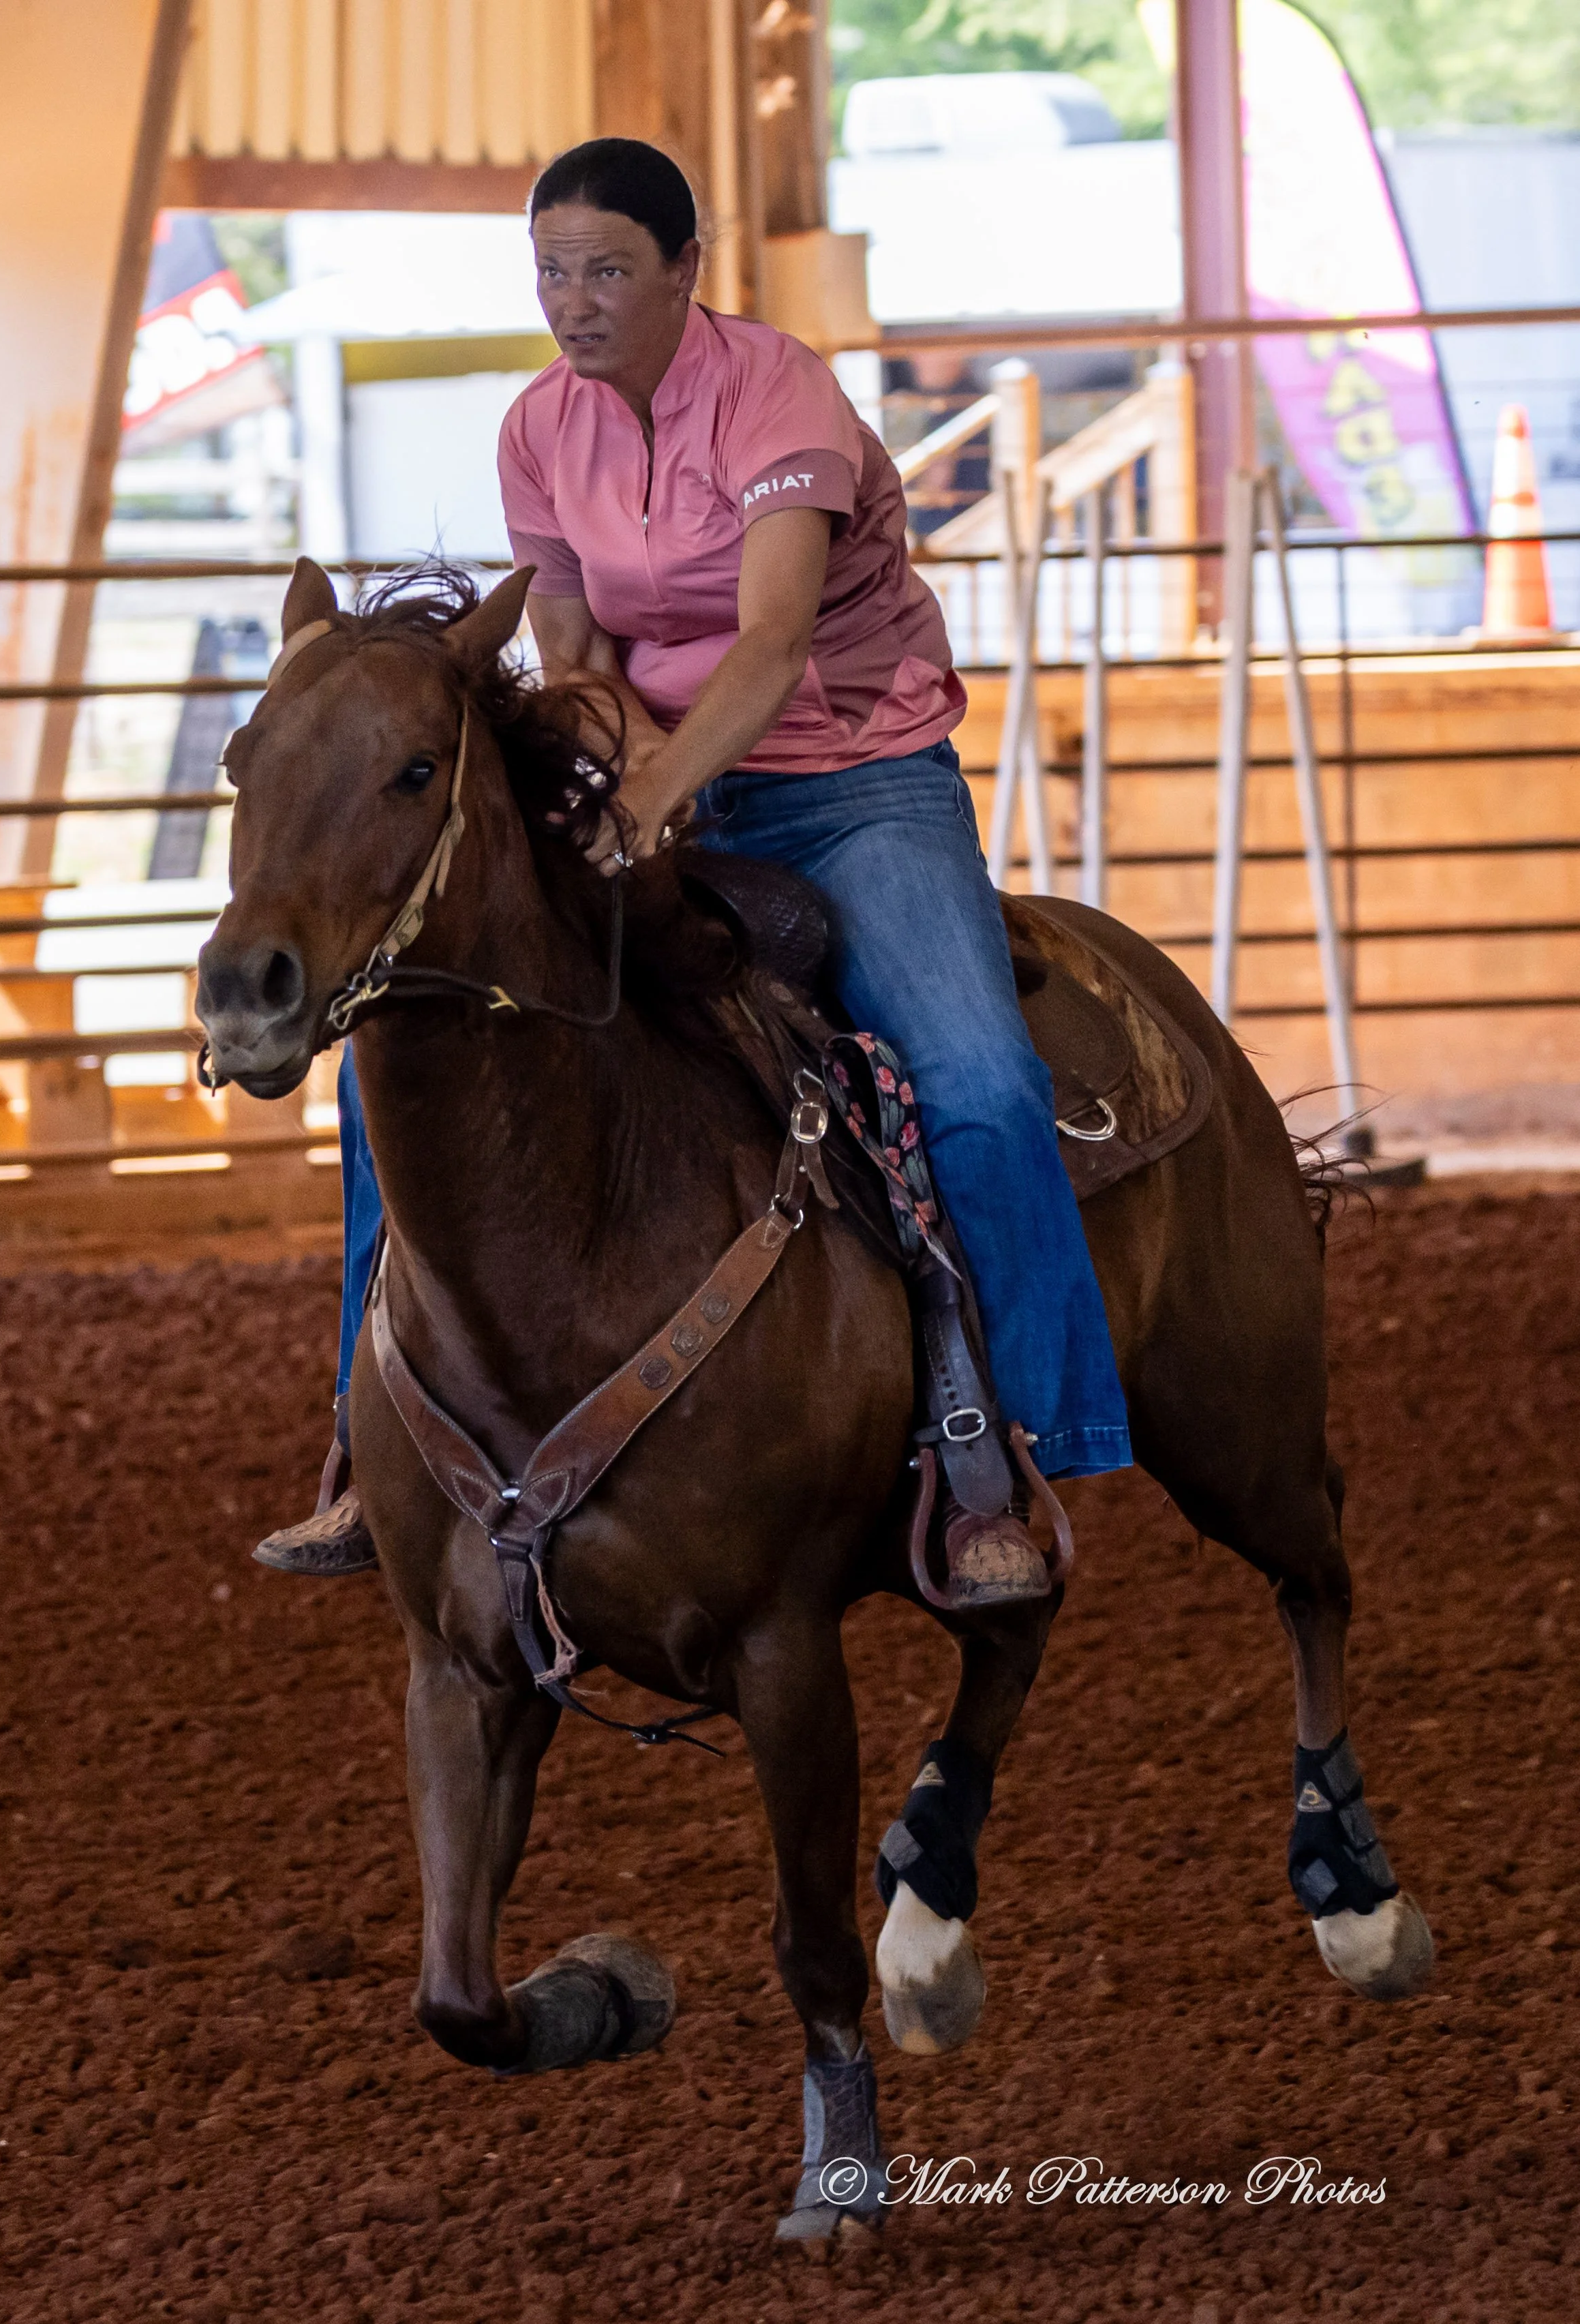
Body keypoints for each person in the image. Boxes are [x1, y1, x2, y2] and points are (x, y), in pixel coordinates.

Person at [256, 136, 1131, 1582]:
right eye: (552, 271)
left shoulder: (777, 392)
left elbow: (774, 642)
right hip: (659, 781)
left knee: (976, 1077)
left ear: (684, 269)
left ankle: (1014, 1451)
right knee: (394, 1062)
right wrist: (620, 772)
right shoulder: (538, 428)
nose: (574, 301)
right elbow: (574, 653)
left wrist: (657, 788)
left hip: (852, 781)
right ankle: (370, 1446)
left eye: (607, 269)